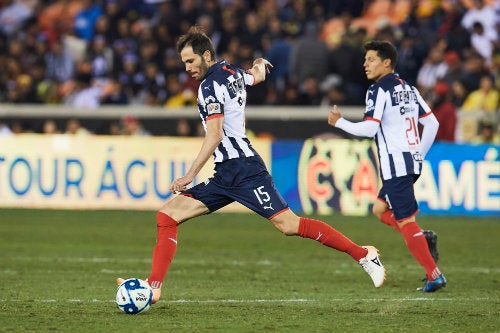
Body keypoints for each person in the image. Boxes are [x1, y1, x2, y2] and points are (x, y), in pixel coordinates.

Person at [118, 26, 386, 304]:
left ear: (206, 55)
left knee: (290, 225)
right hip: (225, 174)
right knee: (167, 216)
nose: (186, 68)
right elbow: (255, 76)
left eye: (190, 61)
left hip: (245, 171)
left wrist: (190, 175)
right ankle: (154, 286)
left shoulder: (209, 87)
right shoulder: (232, 72)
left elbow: (214, 134)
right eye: (183, 62)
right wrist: (259, 63)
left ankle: (364, 254)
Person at [328, 40, 446, 292]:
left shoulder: (378, 90)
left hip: (395, 164)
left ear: (386, 62)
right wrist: (418, 154)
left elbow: (370, 128)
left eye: (370, 59)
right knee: (379, 208)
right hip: (410, 162)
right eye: (365, 60)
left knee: (405, 220)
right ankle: (423, 238)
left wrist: (340, 123)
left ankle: (434, 274)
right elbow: (432, 124)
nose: (365, 64)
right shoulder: (410, 89)